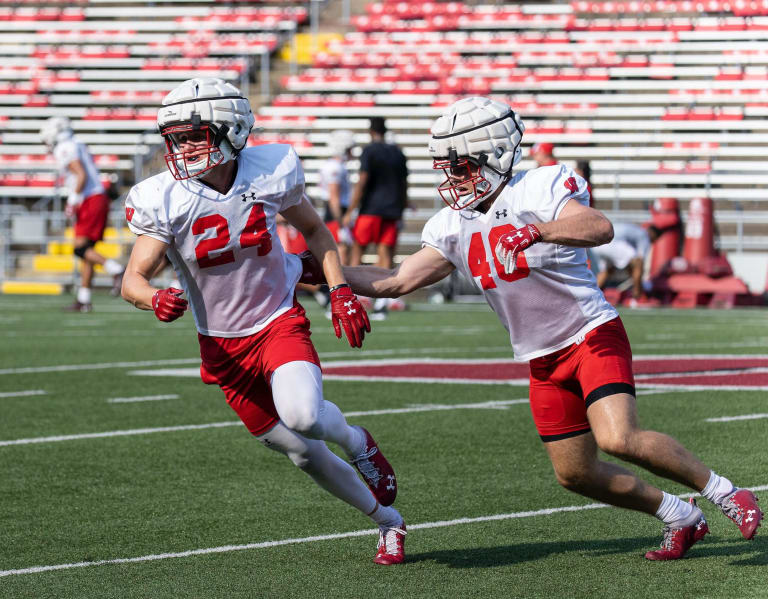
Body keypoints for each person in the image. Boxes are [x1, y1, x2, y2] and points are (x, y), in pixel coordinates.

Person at [304, 97, 763, 560]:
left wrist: (537, 231)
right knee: (575, 474)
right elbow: (398, 279)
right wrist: (322, 271)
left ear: (493, 156)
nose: (453, 180)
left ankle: (726, 491)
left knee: (617, 438)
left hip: (589, 333)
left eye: (461, 167)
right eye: (449, 168)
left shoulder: (540, 186)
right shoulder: (453, 224)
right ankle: (678, 515)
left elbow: (598, 226)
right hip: (540, 358)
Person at [120, 78, 406, 566]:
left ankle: (357, 440)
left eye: (194, 134)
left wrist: (339, 289)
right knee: (301, 453)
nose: (183, 147)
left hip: (276, 319)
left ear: (231, 131)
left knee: (304, 416)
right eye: (176, 138)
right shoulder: (163, 195)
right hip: (222, 347)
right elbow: (132, 278)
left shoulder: (270, 169)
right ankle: (388, 523)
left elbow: (314, 230)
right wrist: (153, 298)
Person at [40, 116, 125, 312]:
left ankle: (117, 270)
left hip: (89, 199)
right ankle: (84, 299)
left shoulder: (65, 147)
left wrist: (73, 200)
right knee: (87, 252)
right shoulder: (77, 143)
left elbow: (80, 174)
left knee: (79, 249)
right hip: (96, 197)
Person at [342, 116, 408, 319]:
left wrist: (350, 210)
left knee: (357, 253)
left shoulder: (369, 151)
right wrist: (402, 207)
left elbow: (362, 181)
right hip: (392, 210)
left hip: (370, 210)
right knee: (385, 256)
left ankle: (354, 297)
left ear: (371, 131)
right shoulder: (398, 152)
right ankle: (382, 302)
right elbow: (404, 183)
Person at [593, 222, 661, 304]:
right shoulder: (645, 236)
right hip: (613, 242)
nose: (653, 242)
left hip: (598, 244)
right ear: (652, 233)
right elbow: (639, 261)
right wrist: (640, 282)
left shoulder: (636, 230)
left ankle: (592, 299)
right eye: (655, 239)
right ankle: (638, 298)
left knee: (605, 272)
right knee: (638, 265)